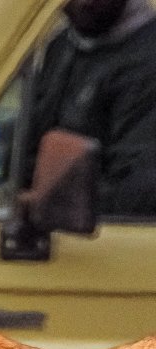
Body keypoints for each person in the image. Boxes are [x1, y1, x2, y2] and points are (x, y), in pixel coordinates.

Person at [29, 0, 156, 217]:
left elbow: (139, 191)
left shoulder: (147, 61)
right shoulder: (62, 45)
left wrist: (55, 201)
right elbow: (35, 136)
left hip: (108, 237)